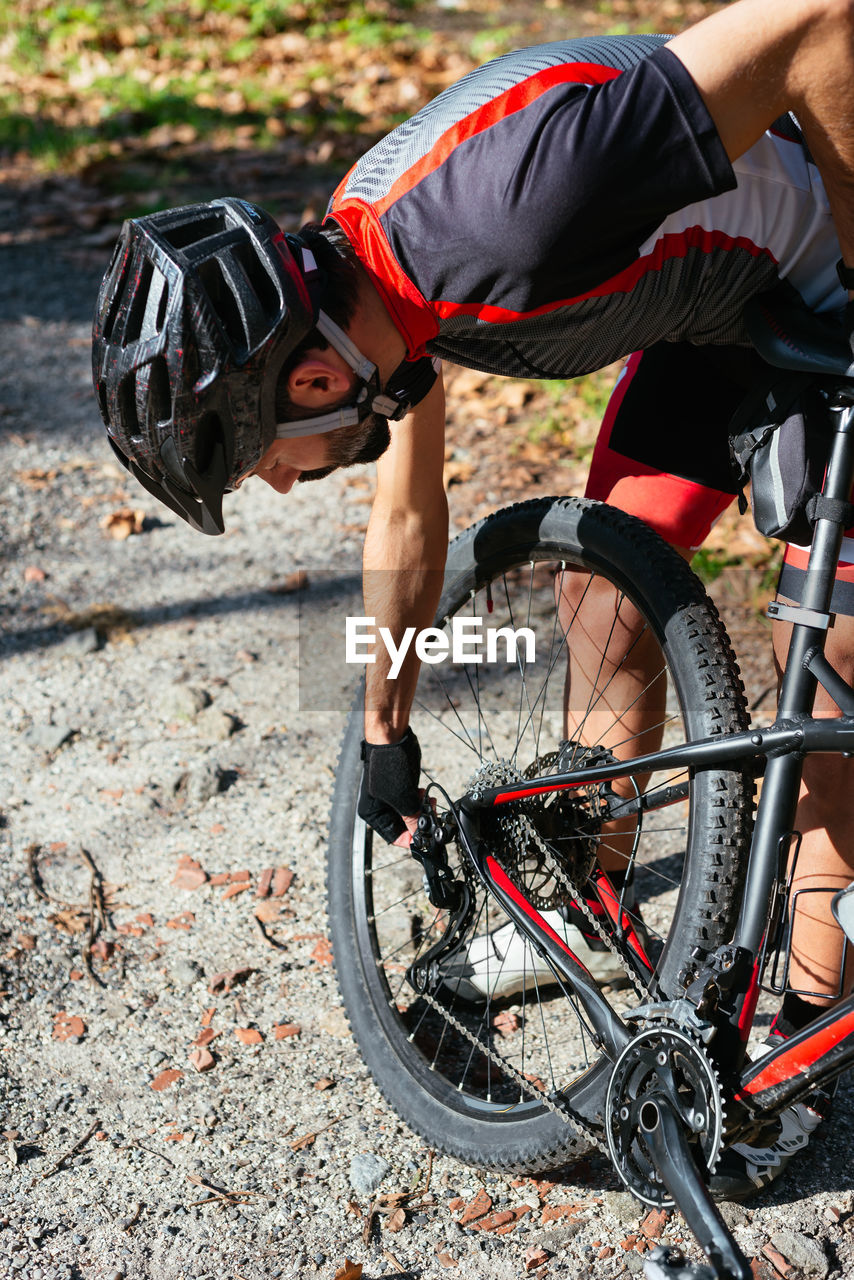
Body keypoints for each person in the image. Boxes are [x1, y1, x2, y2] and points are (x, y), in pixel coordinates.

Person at [93, 0, 854, 1197]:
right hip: (719, 309)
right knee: (604, 608)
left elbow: (819, 24)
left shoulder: (506, 211)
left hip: (824, 271)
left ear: (304, 375)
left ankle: (802, 1029)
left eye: (266, 460)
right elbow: (405, 516)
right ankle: (585, 907)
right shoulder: (374, 284)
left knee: (826, 680)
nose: (286, 481)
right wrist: (381, 727)